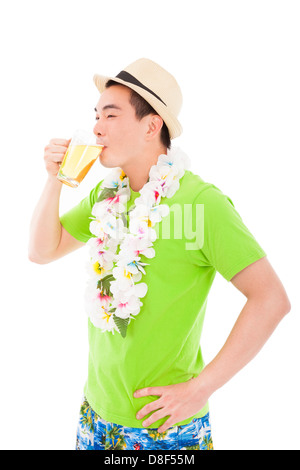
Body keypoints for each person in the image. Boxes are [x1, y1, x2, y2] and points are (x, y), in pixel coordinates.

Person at [29, 58, 291, 451]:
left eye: (111, 115)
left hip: (166, 426)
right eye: (96, 114)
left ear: (152, 126)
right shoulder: (107, 197)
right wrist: (56, 180)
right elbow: (41, 251)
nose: (97, 126)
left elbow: (272, 299)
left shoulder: (202, 203)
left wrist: (200, 388)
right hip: (96, 415)